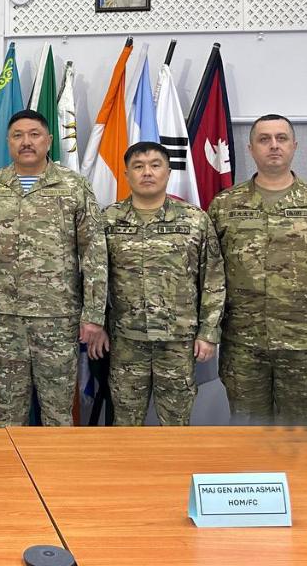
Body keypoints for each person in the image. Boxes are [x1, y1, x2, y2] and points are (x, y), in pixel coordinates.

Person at [209, 114, 307, 425]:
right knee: (248, 430)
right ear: (251, 149)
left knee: (306, 434)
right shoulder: (225, 205)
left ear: (294, 146)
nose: (274, 145)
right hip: (244, 345)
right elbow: (210, 274)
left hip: (305, 343)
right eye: (264, 139)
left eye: (281, 138)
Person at [0, 109, 108, 427]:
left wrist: (93, 314)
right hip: (5, 317)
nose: (26, 142)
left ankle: (55, 463)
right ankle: (9, 461)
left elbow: (94, 253)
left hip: (57, 317)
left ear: (49, 140)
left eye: (34, 134)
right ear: (8, 142)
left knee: (57, 410)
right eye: (18, 135)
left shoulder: (73, 186)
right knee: (7, 408)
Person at [101, 142, 225, 426]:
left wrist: (208, 332)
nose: (147, 172)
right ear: (127, 174)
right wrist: (96, 325)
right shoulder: (107, 220)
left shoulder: (195, 220)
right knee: (125, 424)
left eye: (155, 165)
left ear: (168, 172)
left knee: (176, 424)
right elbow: (94, 278)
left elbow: (213, 278)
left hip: (177, 342)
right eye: (138, 166)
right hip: (126, 341)